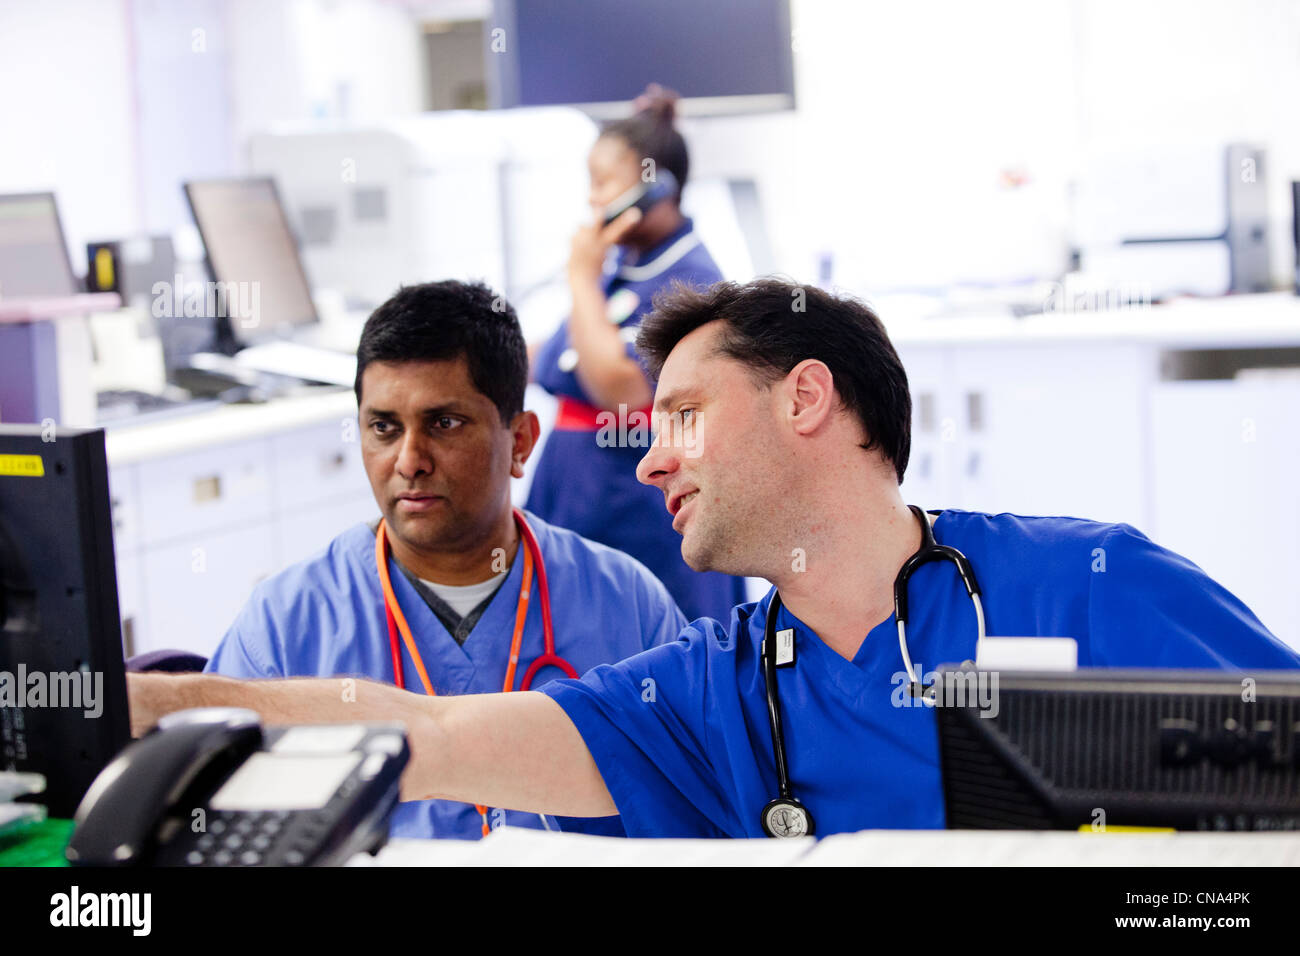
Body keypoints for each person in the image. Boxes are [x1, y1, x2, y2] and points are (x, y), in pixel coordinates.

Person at [133, 277, 1300, 839]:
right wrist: (165, 703)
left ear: (805, 399)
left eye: (682, 413)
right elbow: (424, 733)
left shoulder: (1088, 584)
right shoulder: (704, 691)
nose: (648, 460)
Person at [202, 280, 685, 839]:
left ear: (522, 441)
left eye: (444, 424)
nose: (409, 461)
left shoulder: (626, 605)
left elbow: (692, 808)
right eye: (383, 427)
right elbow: (223, 829)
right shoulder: (286, 626)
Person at [526, 83, 747, 623]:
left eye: (604, 184)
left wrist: (579, 275)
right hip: (578, 495)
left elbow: (620, 391)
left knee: (650, 654)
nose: (592, 200)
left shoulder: (688, 280)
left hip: (636, 510)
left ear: (654, 188)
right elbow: (558, 356)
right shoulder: (624, 267)